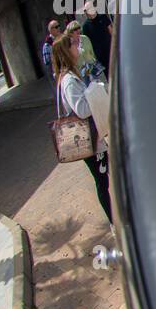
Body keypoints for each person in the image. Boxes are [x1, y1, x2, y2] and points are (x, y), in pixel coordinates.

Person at [52, 37, 112, 224]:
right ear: (66, 51)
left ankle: (117, 218)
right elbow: (82, 109)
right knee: (102, 182)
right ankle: (114, 222)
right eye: (73, 44)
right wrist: (93, 91)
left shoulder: (70, 75)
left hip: (92, 139)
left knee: (105, 178)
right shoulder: (69, 80)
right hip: (89, 140)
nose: (77, 47)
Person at [80, 3, 112, 76]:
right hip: (100, 56)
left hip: (110, 49)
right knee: (108, 75)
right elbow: (87, 42)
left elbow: (111, 31)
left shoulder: (102, 17)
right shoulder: (85, 26)